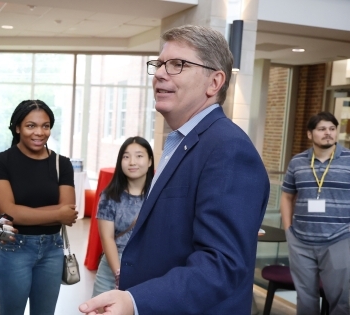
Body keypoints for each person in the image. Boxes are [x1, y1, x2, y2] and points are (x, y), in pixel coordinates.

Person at [79, 24, 270, 315]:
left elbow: (221, 263)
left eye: (177, 64)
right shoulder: (185, 142)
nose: (159, 73)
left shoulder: (228, 149)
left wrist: (136, 302)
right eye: (159, 64)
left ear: (214, 81)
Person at [0, 99, 78, 315]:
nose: (39, 132)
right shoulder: (2, 162)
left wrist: (25, 213)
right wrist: (57, 213)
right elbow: (9, 212)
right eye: (31, 125)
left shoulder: (61, 164)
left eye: (45, 126)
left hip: (52, 250)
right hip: (14, 248)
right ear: (17, 127)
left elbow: (69, 210)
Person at [280, 111, 350, 315]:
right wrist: (288, 231)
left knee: (340, 299)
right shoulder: (297, 162)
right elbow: (286, 197)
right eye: (322, 129)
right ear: (310, 134)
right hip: (301, 241)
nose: (328, 133)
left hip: (339, 240)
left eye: (332, 128)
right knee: (305, 298)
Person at [92, 136, 154, 297]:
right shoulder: (110, 196)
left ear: (149, 161)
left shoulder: (158, 196)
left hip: (147, 267)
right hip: (112, 268)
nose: (132, 162)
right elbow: (107, 238)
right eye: (126, 157)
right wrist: (120, 274)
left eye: (139, 156)